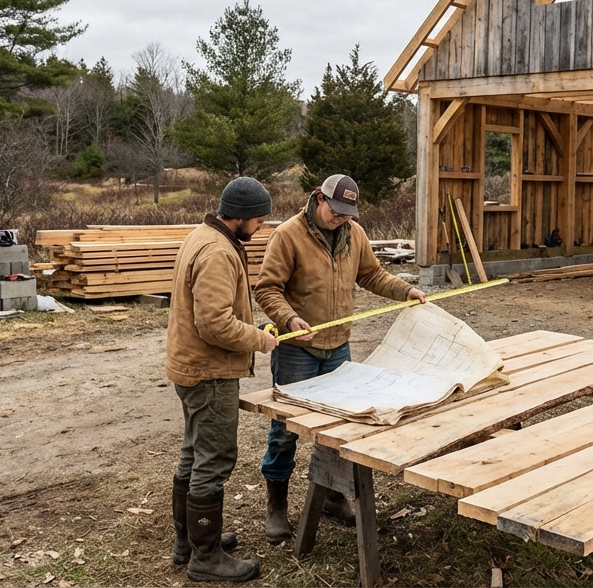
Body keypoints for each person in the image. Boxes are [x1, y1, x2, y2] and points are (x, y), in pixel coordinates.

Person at [254, 174, 426, 543]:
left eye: (348, 214)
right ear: (318, 198)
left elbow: (372, 274)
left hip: (338, 347)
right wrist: (289, 319)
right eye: (335, 211)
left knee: (339, 427)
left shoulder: (354, 234)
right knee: (285, 430)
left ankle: (332, 497)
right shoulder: (287, 235)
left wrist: (405, 290)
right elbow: (267, 288)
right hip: (297, 351)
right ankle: (277, 508)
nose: (340, 219)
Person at [166, 177, 279, 583]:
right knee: (213, 461)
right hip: (209, 372)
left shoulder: (203, 235)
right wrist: (259, 340)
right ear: (242, 217)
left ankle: (188, 543)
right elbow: (214, 323)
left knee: (193, 454)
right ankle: (206, 558)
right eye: (260, 221)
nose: (261, 228)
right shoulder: (216, 251)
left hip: (191, 366)